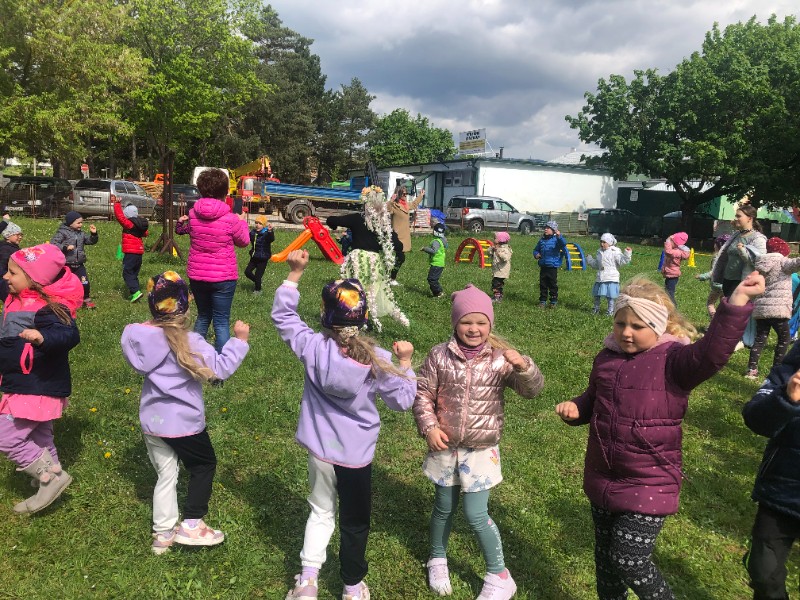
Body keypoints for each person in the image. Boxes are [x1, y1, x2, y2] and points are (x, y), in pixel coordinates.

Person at [555, 272, 765, 600]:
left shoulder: (674, 361)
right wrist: (576, 409)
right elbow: (592, 400)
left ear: (658, 326)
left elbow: (711, 353)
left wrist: (737, 302)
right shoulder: (606, 358)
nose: (626, 332)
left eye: (637, 326)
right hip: (602, 476)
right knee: (606, 563)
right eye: (620, 323)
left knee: (629, 559)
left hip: (649, 480)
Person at [273, 249, 416, 600]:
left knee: (321, 511)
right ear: (364, 316)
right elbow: (402, 401)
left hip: (321, 452)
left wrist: (294, 274)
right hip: (356, 457)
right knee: (354, 522)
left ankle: (308, 582)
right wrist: (406, 363)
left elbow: (283, 317)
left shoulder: (312, 346)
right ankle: (352, 586)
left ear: (325, 316)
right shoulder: (378, 360)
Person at [413, 284, 544, 599]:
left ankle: (499, 574)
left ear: (490, 324)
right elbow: (422, 394)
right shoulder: (438, 355)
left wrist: (524, 367)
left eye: (481, 322)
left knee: (475, 514)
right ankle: (437, 558)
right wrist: (429, 428)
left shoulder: (500, 360)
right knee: (443, 508)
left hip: (482, 450)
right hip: (444, 447)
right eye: (466, 321)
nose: (474, 329)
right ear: (455, 323)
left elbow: (532, 390)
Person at [121, 271, 250, 554]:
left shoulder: (138, 336)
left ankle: (163, 534)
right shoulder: (191, 342)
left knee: (166, 474)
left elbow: (138, 342)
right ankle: (192, 523)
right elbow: (220, 369)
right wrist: (239, 341)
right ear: (185, 304)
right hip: (184, 424)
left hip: (153, 421)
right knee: (203, 465)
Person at [0, 243, 83, 514]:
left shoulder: (48, 307)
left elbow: (69, 334)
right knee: (41, 437)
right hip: (26, 382)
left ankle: (50, 479)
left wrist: (43, 337)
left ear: (33, 279)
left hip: (35, 384)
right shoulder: (16, 296)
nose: (6, 277)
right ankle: (50, 481)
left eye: (12, 273)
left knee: (5, 436)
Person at [741, 339, 800, 600]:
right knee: (763, 572)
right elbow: (755, 419)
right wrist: (786, 398)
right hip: (782, 492)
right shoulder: (790, 369)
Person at [176, 168, 250, 354]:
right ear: (225, 192)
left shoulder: (193, 215)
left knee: (203, 316)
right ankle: (222, 363)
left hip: (198, 275)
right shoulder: (230, 219)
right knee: (221, 321)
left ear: (200, 190)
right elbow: (244, 241)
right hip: (223, 277)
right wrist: (242, 222)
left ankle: (193, 357)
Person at [327, 186, 408, 331]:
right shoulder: (383, 223)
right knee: (371, 291)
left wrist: (333, 225)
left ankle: (353, 317)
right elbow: (398, 246)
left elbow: (332, 220)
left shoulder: (357, 218)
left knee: (355, 289)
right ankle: (365, 318)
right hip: (374, 262)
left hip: (357, 260)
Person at [745, 237, 800, 380]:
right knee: (784, 338)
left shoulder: (761, 263)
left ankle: (751, 369)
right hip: (778, 310)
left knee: (760, 338)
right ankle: (776, 369)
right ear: (783, 251)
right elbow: (797, 262)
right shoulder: (783, 262)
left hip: (761, 309)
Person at [712, 204, 768, 298]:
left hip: (742, 282)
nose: (736, 218)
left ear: (749, 218)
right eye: (736, 216)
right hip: (727, 280)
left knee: (734, 306)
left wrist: (743, 251)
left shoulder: (758, 239)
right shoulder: (736, 235)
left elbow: (760, 262)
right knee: (727, 305)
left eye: (739, 216)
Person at [50, 211, 99, 309]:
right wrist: (65, 247)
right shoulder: (62, 232)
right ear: (70, 223)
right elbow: (53, 243)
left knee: (84, 282)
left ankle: (86, 299)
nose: (81, 225)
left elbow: (90, 241)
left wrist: (94, 234)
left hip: (79, 264)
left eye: (81, 222)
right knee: (62, 282)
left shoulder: (81, 234)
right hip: (66, 264)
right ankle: (58, 299)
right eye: (78, 223)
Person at [586, 233, 632, 315]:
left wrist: (627, 254)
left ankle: (610, 311)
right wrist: (589, 259)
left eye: (604, 242)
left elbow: (622, 261)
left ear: (610, 243)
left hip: (611, 278)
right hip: (600, 278)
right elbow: (597, 264)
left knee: (610, 296)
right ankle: (596, 309)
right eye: (601, 242)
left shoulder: (615, 252)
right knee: (596, 295)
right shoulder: (599, 252)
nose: (602, 244)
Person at [113, 202, 150, 303]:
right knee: (133, 273)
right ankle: (134, 293)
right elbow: (146, 233)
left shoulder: (129, 224)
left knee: (127, 273)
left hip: (130, 253)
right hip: (139, 253)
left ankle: (136, 292)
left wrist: (117, 204)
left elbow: (120, 217)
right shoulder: (139, 225)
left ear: (127, 214)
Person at [388, 186, 424, 285]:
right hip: (396, 236)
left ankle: (391, 278)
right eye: (403, 194)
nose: (405, 195)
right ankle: (390, 278)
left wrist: (421, 195)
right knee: (399, 258)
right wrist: (391, 201)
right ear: (398, 194)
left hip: (404, 236)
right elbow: (386, 209)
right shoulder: (394, 205)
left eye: (406, 193)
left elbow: (414, 204)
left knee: (399, 258)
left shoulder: (406, 205)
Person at [695, 233, 730, 318]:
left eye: (715, 243)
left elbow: (714, 272)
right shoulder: (730, 257)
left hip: (717, 285)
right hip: (726, 285)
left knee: (710, 303)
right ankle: (722, 320)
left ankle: (714, 320)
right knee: (723, 304)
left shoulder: (717, 257)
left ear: (719, 246)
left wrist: (702, 276)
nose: (714, 245)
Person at [533, 220, 566, 308]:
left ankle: (553, 301)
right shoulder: (542, 240)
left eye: (548, 228)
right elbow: (536, 249)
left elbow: (563, 244)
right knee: (543, 284)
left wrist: (559, 236)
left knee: (552, 284)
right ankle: (542, 301)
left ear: (553, 230)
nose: (545, 229)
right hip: (543, 266)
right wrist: (536, 254)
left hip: (552, 266)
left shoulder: (556, 240)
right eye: (545, 228)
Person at [243, 215, 274, 295]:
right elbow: (246, 237)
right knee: (247, 272)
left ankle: (258, 290)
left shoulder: (266, 233)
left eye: (260, 223)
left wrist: (270, 231)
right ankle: (258, 282)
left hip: (263, 258)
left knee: (258, 275)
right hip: (254, 257)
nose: (257, 225)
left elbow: (271, 239)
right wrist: (244, 226)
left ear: (264, 225)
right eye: (256, 223)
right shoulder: (253, 233)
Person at [661, 231, 690, 306]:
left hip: (673, 276)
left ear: (676, 243)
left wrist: (668, 240)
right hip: (670, 275)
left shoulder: (677, 252)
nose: (670, 243)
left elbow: (668, 251)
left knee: (669, 293)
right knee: (667, 291)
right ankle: (668, 305)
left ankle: (673, 307)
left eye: (671, 242)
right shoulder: (676, 250)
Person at [422, 222, 448, 298]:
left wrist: (425, 249)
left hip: (436, 264)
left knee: (432, 279)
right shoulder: (443, 240)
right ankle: (436, 293)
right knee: (433, 279)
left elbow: (433, 251)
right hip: (440, 263)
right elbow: (446, 246)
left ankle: (439, 292)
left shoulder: (436, 242)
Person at [0, 220, 23, 303]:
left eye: (21, 234)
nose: (20, 237)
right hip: (6, 281)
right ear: (8, 236)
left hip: (11, 278)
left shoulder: (12, 247)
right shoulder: (5, 249)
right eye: (17, 235)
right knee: (10, 300)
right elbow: (2, 265)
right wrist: (5, 275)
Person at [488, 231, 512, 302]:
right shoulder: (496, 247)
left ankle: (497, 297)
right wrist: (492, 249)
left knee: (496, 284)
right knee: (497, 283)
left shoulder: (506, 249)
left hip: (502, 271)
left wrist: (498, 252)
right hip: (497, 270)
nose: (493, 239)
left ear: (501, 240)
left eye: (495, 238)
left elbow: (505, 258)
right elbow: (489, 253)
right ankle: (499, 295)